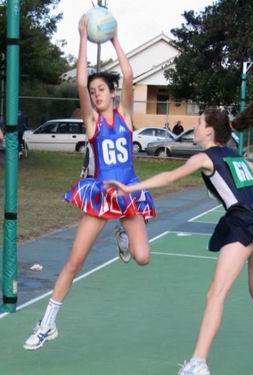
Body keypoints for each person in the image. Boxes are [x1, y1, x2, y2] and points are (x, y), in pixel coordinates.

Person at [107, 101, 253, 375]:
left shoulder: (205, 158)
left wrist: (129, 188)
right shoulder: (234, 155)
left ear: (208, 132)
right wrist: (240, 186)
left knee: (216, 294)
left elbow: (170, 176)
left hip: (243, 221)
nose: (194, 128)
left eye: (198, 124)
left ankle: (198, 363)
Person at [23, 15, 156, 351]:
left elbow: (127, 75)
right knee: (74, 261)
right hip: (102, 194)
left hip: (128, 193)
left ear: (112, 94)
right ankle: (47, 325)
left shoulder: (125, 116)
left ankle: (124, 234)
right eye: (93, 91)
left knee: (142, 257)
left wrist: (114, 39)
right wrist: (82, 37)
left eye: (101, 89)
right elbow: (81, 82)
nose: (96, 94)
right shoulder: (93, 122)